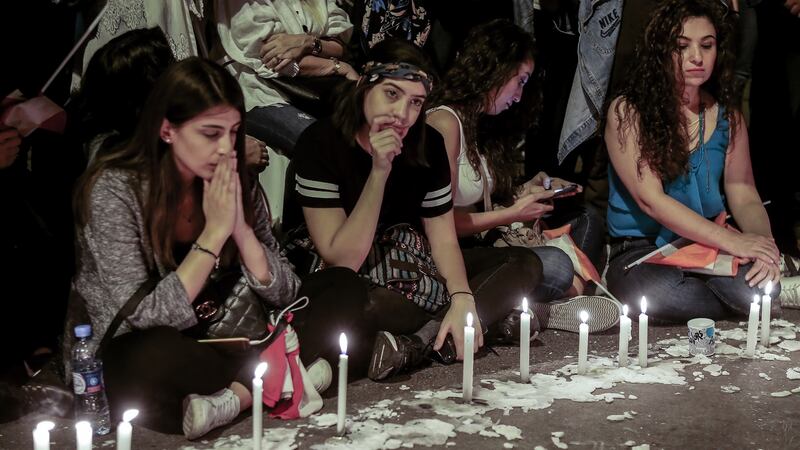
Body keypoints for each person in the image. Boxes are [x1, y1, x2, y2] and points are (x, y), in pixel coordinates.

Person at [66, 57, 353, 439]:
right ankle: (289, 374)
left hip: (240, 336)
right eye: (210, 133)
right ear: (167, 129)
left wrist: (243, 233)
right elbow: (143, 315)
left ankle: (238, 395)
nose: (225, 148)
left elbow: (288, 291)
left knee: (341, 288)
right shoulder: (116, 190)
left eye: (233, 132)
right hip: (167, 343)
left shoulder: (236, 177)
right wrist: (214, 235)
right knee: (136, 363)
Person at [290, 39, 543, 382]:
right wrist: (380, 171)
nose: (402, 115)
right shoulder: (322, 142)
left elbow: (442, 238)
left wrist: (462, 296)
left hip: (413, 267)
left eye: (415, 103)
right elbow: (342, 258)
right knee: (359, 309)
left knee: (523, 263)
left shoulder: (427, 143)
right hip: (350, 278)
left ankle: (421, 341)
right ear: (365, 85)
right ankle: (478, 326)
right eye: (391, 94)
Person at [426, 19, 617, 333]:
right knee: (557, 265)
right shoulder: (445, 124)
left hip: (484, 240)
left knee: (587, 218)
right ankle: (544, 307)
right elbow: (440, 224)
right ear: (495, 70)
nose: (519, 95)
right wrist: (513, 214)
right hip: (449, 253)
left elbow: (480, 195)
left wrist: (528, 190)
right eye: (520, 80)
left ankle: (539, 305)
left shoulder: (479, 124)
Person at [604, 0, 782, 323]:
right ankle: (733, 307)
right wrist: (734, 241)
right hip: (641, 252)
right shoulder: (627, 112)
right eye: (682, 46)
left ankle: (746, 299)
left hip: (706, 249)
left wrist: (763, 247)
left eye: (707, 45)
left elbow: (743, 192)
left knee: (760, 286)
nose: (697, 57)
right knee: (666, 294)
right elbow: (651, 201)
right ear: (661, 50)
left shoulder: (727, 115)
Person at [215, 0, 358, 154]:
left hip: (320, 91)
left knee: (363, 132)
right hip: (262, 92)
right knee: (327, 148)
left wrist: (307, 42)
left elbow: (339, 43)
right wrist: (337, 67)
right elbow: (273, 59)